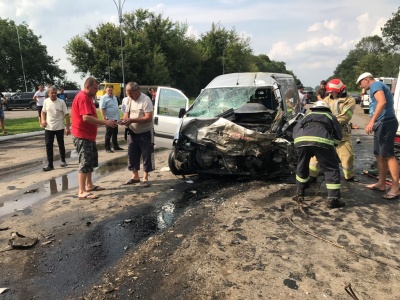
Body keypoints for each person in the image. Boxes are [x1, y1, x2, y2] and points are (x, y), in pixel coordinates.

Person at [71, 77, 118, 200]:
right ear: (88, 87)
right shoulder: (83, 98)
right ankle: (81, 191)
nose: (97, 91)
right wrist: (105, 122)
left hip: (89, 136)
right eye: (95, 88)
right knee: (85, 162)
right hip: (82, 135)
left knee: (90, 161)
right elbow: (86, 117)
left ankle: (89, 185)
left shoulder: (88, 97)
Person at [293, 100, 344, 209]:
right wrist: (333, 145)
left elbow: (296, 129)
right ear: (327, 109)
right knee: (331, 168)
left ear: (314, 108)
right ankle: (333, 199)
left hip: (302, 141)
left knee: (302, 166)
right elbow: (338, 136)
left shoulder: (307, 115)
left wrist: (299, 143)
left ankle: (299, 193)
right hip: (323, 142)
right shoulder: (330, 116)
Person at [357, 72, 400, 200]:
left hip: (386, 122)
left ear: (366, 80)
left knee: (388, 155)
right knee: (379, 153)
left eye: (361, 83)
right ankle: (381, 184)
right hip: (381, 123)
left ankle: (395, 188)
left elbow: (382, 102)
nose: (361, 86)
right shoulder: (377, 86)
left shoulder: (376, 85)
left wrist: (371, 121)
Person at [309, 79, 356, 181]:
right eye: (329, 92)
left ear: (340, 90)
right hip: (326, 132)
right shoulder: (327, 99)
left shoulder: (350, 100)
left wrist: (327, 122)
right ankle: (312, 175)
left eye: (332, 92)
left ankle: (349, 176)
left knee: (347, 157)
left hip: (342, 133)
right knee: (316, 155)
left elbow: (345, 117)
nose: (331, 94)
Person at [121, 82, 154, 187]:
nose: (129, 95)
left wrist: (132, 120)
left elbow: (148, 118)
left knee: (146, 155)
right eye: (127, 93)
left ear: (136, 90)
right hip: (132, 132)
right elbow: (127, 113)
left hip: (145, 132)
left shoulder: (146, 100)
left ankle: (145, 178)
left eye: (130, 93)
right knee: (132, 155)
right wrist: (124, 120)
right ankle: (135, 176)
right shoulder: (129, 100)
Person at [41, 86, 70, 171]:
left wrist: (67, 127)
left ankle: (63, 160)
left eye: (55, 93)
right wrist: (43, 120)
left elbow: (67, 115)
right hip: (49, 127)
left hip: (59, 127)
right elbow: (43, 112)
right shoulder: (46, 101)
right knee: (48, 145)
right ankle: (50, 164)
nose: (53, 94)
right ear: (48, 93)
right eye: (51, 93)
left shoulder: (61, 102)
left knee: (61, 144)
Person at [99, 85, 123, 153]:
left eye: (111, 90)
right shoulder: (103, 98)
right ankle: (107, 148)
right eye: (108, 90)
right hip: (108, 119)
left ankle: (115, 146)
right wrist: (104, 119)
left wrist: (118, 118)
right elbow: (102, 109)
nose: (110, 91)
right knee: (109, 134)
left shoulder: (114, 97)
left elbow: (116, 108)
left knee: (115, 133)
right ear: (106, 91)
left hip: (115, 118)